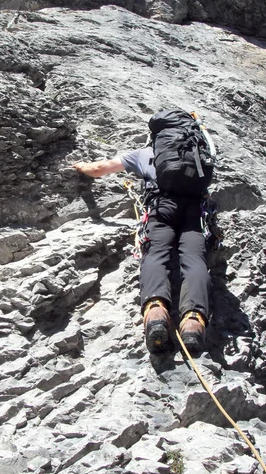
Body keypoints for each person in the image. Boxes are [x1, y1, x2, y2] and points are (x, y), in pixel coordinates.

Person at [73, 145, 211, 355]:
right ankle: (193, 322)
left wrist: (81, 166)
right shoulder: (197, 153)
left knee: (155, 253)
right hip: (194, 211)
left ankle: (156, 311)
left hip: (161, 207)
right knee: (195, 259)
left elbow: (100, 169)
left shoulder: (146, 152)